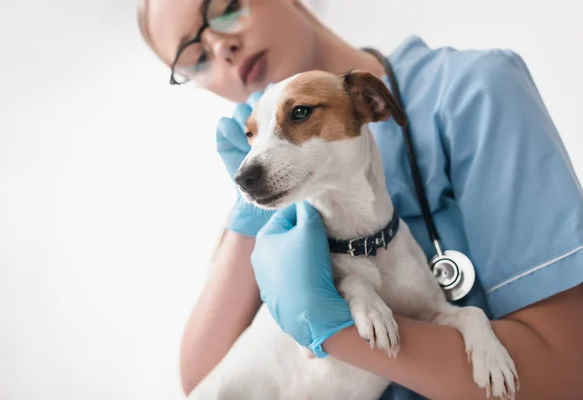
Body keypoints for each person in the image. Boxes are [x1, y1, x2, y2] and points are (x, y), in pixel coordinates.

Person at [137, 1, 583, 398]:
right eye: (195, 59)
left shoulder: (473, 93)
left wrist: (338, 331)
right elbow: (206, 379)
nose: (220, 48)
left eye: (226, 7)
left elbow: (566, 375)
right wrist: (248, 210)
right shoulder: (278, 189)